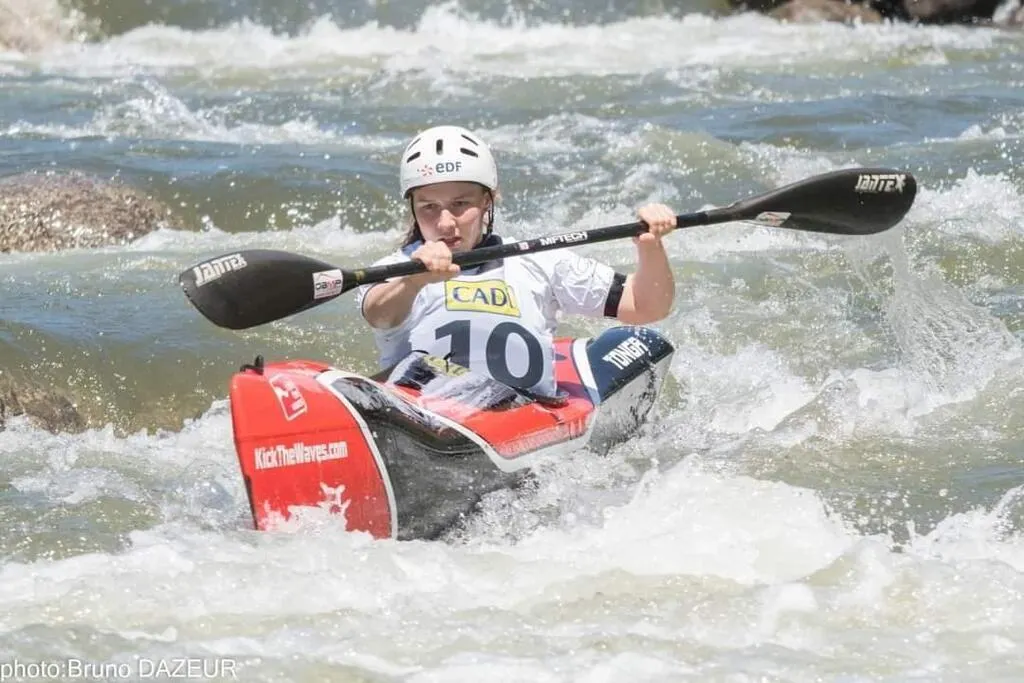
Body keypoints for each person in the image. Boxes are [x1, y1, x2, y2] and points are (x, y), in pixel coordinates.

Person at [355, 125, 676, 398]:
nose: (445, 223)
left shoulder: (538, 259)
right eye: (429, 206)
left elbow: (646, 307)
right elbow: (379, 315)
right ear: (412, 207)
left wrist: (651, 246)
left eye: (460, 203)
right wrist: (414, 279)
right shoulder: (397, 268)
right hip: (422, 415)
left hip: (520, 414)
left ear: (488, 201)